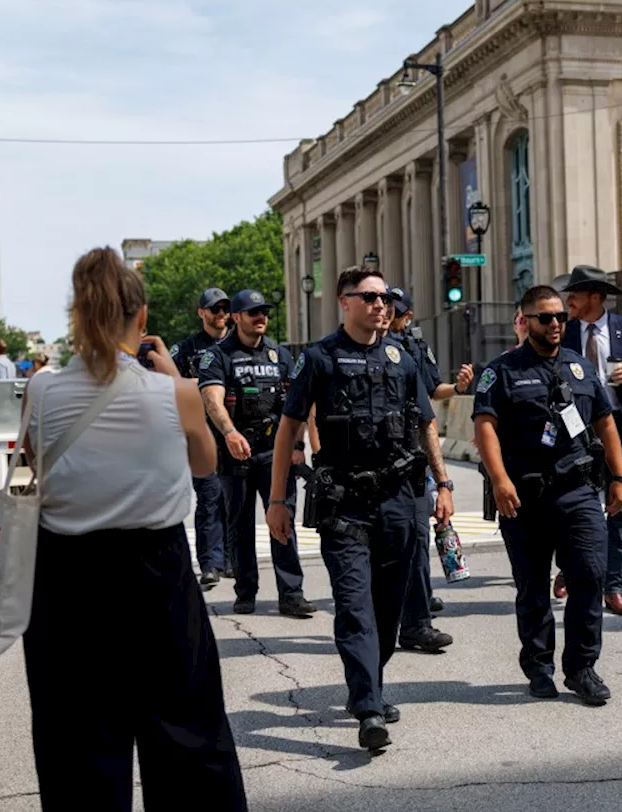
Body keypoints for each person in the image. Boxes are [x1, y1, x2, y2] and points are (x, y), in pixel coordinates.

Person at [21, 247, 245, 810]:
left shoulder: (42, 391)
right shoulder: (177, 394)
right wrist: (173, 376)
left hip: (67, 581)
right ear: (141, 319)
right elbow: (204, 465)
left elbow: (35, 464)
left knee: (78, 749)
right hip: (157, 574)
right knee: (189, 740)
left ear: (77, 314)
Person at [266, 268, 454, 750]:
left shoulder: (403, 358)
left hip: (398, 500)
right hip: (345, 503)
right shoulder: (319, 358)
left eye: (385, 297)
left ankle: (369, 684)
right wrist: (278, 499)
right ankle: (369, 708)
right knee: (354, 607)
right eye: (369, 296)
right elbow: (288, 428)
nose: (380, 304)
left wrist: (443, 484)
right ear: (344, 302)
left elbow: (425, 426)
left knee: (389, 610)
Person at [473, 284, 622, 706]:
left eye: (561, 316)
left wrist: (619, 477)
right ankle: (539, 666)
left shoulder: (580, 369)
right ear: (525, 320)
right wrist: (500, 480)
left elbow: (606, 422)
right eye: (546, 317)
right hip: (524, 498)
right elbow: (484, 425)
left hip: (578, 492)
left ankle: (581, 667)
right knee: (532, 586)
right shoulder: (502, 371)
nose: (557, 323)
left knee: (591, 575)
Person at [198, 290, 316, 619]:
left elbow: (297, 405)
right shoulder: (218, 356)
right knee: (239, 525)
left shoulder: (280, 355)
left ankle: (291, 594)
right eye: (253, 313)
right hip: (234, 455)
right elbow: (212, 399)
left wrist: (297, 446)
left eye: (263, 311)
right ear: (236, 318)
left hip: (274, 455)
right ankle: (245, 592)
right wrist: (230, 432)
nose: (260, 317)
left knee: (283, 521)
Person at [559, 266, 622, 616]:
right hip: (574, 435)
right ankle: (572, 571)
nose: (569, 299)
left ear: (596, 297)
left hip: (617, 429)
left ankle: (613, 587)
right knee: (573, 510)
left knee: (620, 511)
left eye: (576, 293)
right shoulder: (564, 332)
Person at [387, 286, 473, 653]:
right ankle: (386, 618)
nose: (389, 315)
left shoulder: (414, 350)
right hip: (370, 466)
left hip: (412, 458)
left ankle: (417, 624)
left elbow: (430, 401)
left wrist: (457, 387)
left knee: (418, 541)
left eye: (396, 311)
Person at [172, 288, 233, 585]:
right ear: (201, 313)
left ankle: (232, 559)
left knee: (235, 499)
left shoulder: (240, 345)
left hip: (237, 432)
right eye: (214, 308)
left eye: (225, 308)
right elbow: (168, 382)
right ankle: (210, 563)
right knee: (209, 497)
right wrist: (203, 383)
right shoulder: (187, 348)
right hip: (201, 432)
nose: (221, 313)